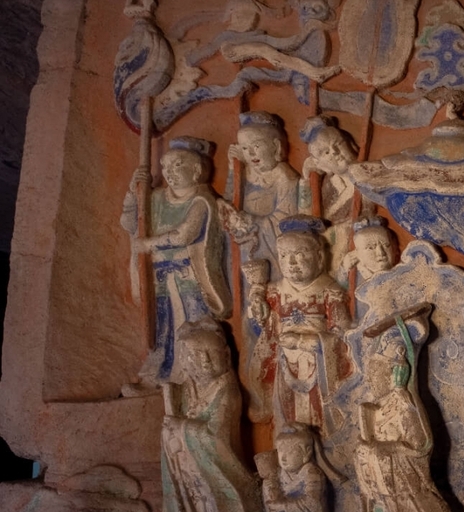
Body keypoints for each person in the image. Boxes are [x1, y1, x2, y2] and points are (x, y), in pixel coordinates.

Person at [354, 304, 464, 512]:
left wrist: (381, 450)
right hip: (382, 489)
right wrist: (366, 451)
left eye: (379, 370)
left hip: (405, 487)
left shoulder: (403, 403)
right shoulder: (375, 407)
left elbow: (420, 446)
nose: (373, 378)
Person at [121, 137, 230, 389]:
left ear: (196, 170)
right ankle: (162, 375)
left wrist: (148, 244)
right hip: (160, 277)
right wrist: (133, 193)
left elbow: (184, 235)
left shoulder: (202, 201)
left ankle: (196, 378)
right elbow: (129, 223)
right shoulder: (156, 199)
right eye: (165, 166)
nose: (169, 172)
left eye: (178, 165)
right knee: (163, 328)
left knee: (194, 324)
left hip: (189, 277)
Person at [160, 321, 266, 512]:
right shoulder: (187, 391)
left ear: (226, 355)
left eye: (210, 354)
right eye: (196, 355)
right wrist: (170, 432)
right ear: (184, 360)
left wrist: (181, 427)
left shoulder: (227, 391)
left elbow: (215, 437)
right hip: (192, 475)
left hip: (221, 474)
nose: (204, 362)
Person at [247, 216, 350, 431]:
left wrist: (304, 341)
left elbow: (342, 334)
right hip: (285, 361)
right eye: (285, 256)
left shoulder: (330, 291)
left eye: (300, 254)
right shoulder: (275, 292)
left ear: (319, 257)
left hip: (319, 364)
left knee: (320, 411)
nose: (292, 263)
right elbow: (263, 328)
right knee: (286, 409)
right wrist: (259, 312)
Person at [221, 111, 301, 278]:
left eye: (256, 146)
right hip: (243, 244)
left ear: (276, 146)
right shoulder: (243, 173)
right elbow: (229, 202)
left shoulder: (285, 176)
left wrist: (253, 221)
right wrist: (232, 169)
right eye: (244, 148)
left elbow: (286, 221)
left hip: (270, 247)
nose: (251, 154)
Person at [299, 116, 375, 281]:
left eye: (338, 144)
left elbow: (367, 214)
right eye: (326, 152)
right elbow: (305, 219)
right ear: (320, 164)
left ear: (351, 144)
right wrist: (305, 180)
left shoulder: (366, 178)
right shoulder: (328, 184)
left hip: (352, 249)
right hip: (327, 255)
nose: (335, 153)